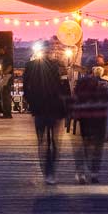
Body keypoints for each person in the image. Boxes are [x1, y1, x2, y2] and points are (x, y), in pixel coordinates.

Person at [22, 42, 68, 184]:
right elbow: (64, 87)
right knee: (49, 140)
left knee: (46, 140)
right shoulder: (54, 66)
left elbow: (26, 87)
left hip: (45, 107)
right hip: (49, 107)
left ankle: (48, 171)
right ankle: (49, 171)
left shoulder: (33, 66)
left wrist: (31, 101)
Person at [71, 66, 108, 183]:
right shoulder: (104, 85)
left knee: (85, 145)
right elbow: (107, 102)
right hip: (99, 120)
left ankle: (81, 172)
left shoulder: (81, 84)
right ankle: (94, 173)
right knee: (97, 147)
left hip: (86, 119)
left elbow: (76, 100)